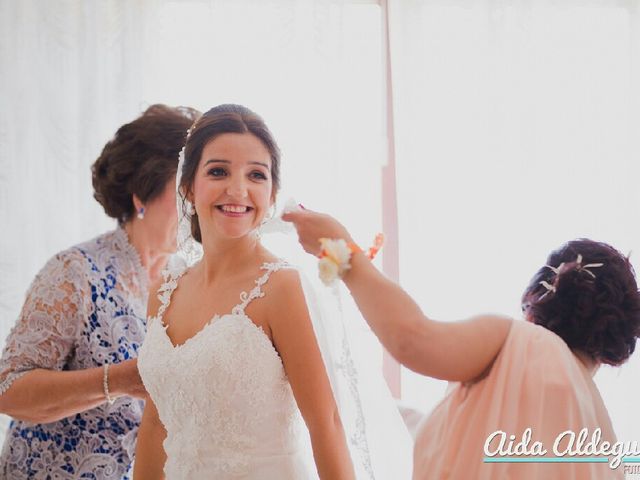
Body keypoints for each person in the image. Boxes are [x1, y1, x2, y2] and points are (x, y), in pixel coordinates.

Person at [134, 104, 413, 480]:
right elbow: (155, 425)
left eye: (256, 175)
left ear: (272, 193)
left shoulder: (280, 287)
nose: (238, 189)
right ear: (188, 186)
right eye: (218, 171)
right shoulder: (163, 292)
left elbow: (325, 423)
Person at [283, 208, 640, 479]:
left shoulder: (517, 341)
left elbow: (412, 339)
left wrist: (343, 251)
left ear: (540, 293)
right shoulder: (603, 444)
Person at [0, 104, 200, 479]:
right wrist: (118, 380)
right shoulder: (75, 273)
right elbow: (9, 389)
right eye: (183, 196)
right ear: (142, 195)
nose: (196, 211)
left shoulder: (187, 281)